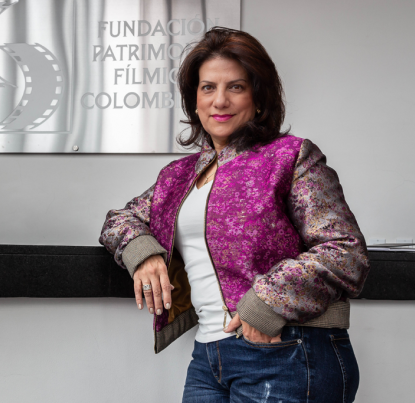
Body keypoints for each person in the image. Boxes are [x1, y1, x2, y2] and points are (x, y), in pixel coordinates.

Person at [99, 28, 369, 403]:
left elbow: (345, 251)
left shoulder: (291, 157)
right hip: (209, 358)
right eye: (208, 88)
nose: (220, 100)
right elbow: (119, 220)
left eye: (236, 87)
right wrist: (143, 254)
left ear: (258, 98)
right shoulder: (178, 177)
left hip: (288, 349)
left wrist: (266, 302)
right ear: (194, 101)